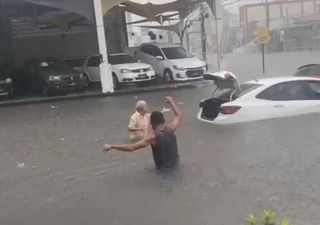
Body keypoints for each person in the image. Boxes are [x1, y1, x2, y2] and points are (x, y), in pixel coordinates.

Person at [104, 96, 182, 170]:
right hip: (177, 166)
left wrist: (112, 146)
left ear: (151, 122)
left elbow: (131, 147)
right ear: (163, 120)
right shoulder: (171, 128)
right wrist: (171, 101)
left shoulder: (153, 136)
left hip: (164, 172)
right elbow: (178, 115)